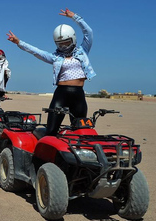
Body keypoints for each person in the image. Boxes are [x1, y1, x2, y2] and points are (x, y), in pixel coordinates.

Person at [7, 8, 96, 136]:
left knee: (80, 132)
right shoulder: (55, 57)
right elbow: (36, 51)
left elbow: (88, 32)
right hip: (61, 94)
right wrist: (19, 42)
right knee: (51, 130)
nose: (64, 47)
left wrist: (74, 17)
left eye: (67, 43)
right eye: (60, 44)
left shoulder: (83, 51)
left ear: (73, 39)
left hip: (79, 95)